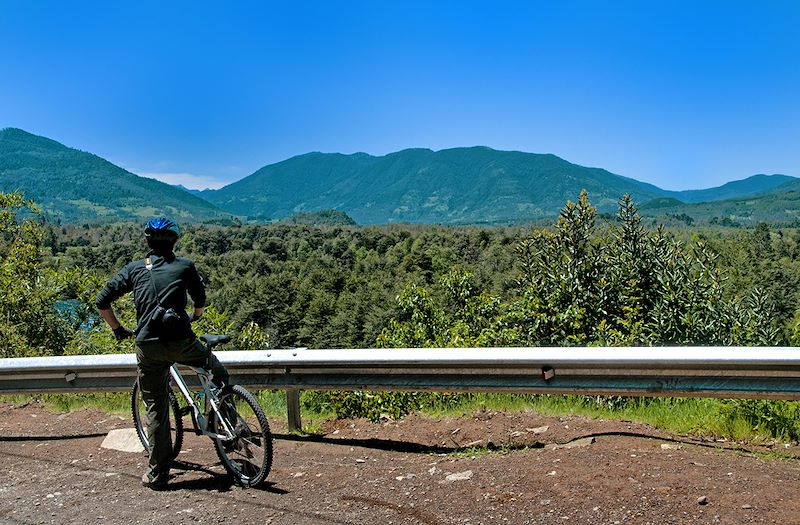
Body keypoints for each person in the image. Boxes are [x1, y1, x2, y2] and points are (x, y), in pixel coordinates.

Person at [95, 217, 229, 490]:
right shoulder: (184, 266)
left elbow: (102, 301)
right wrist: (195, 315)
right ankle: (224, 419)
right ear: (175, 241)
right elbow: (200, 299)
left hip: (149, 345)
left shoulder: (134, 269)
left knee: (156, 407)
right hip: (181, 340)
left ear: (147, 241)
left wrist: (118, 329)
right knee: (216, 370)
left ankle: (157, 473)